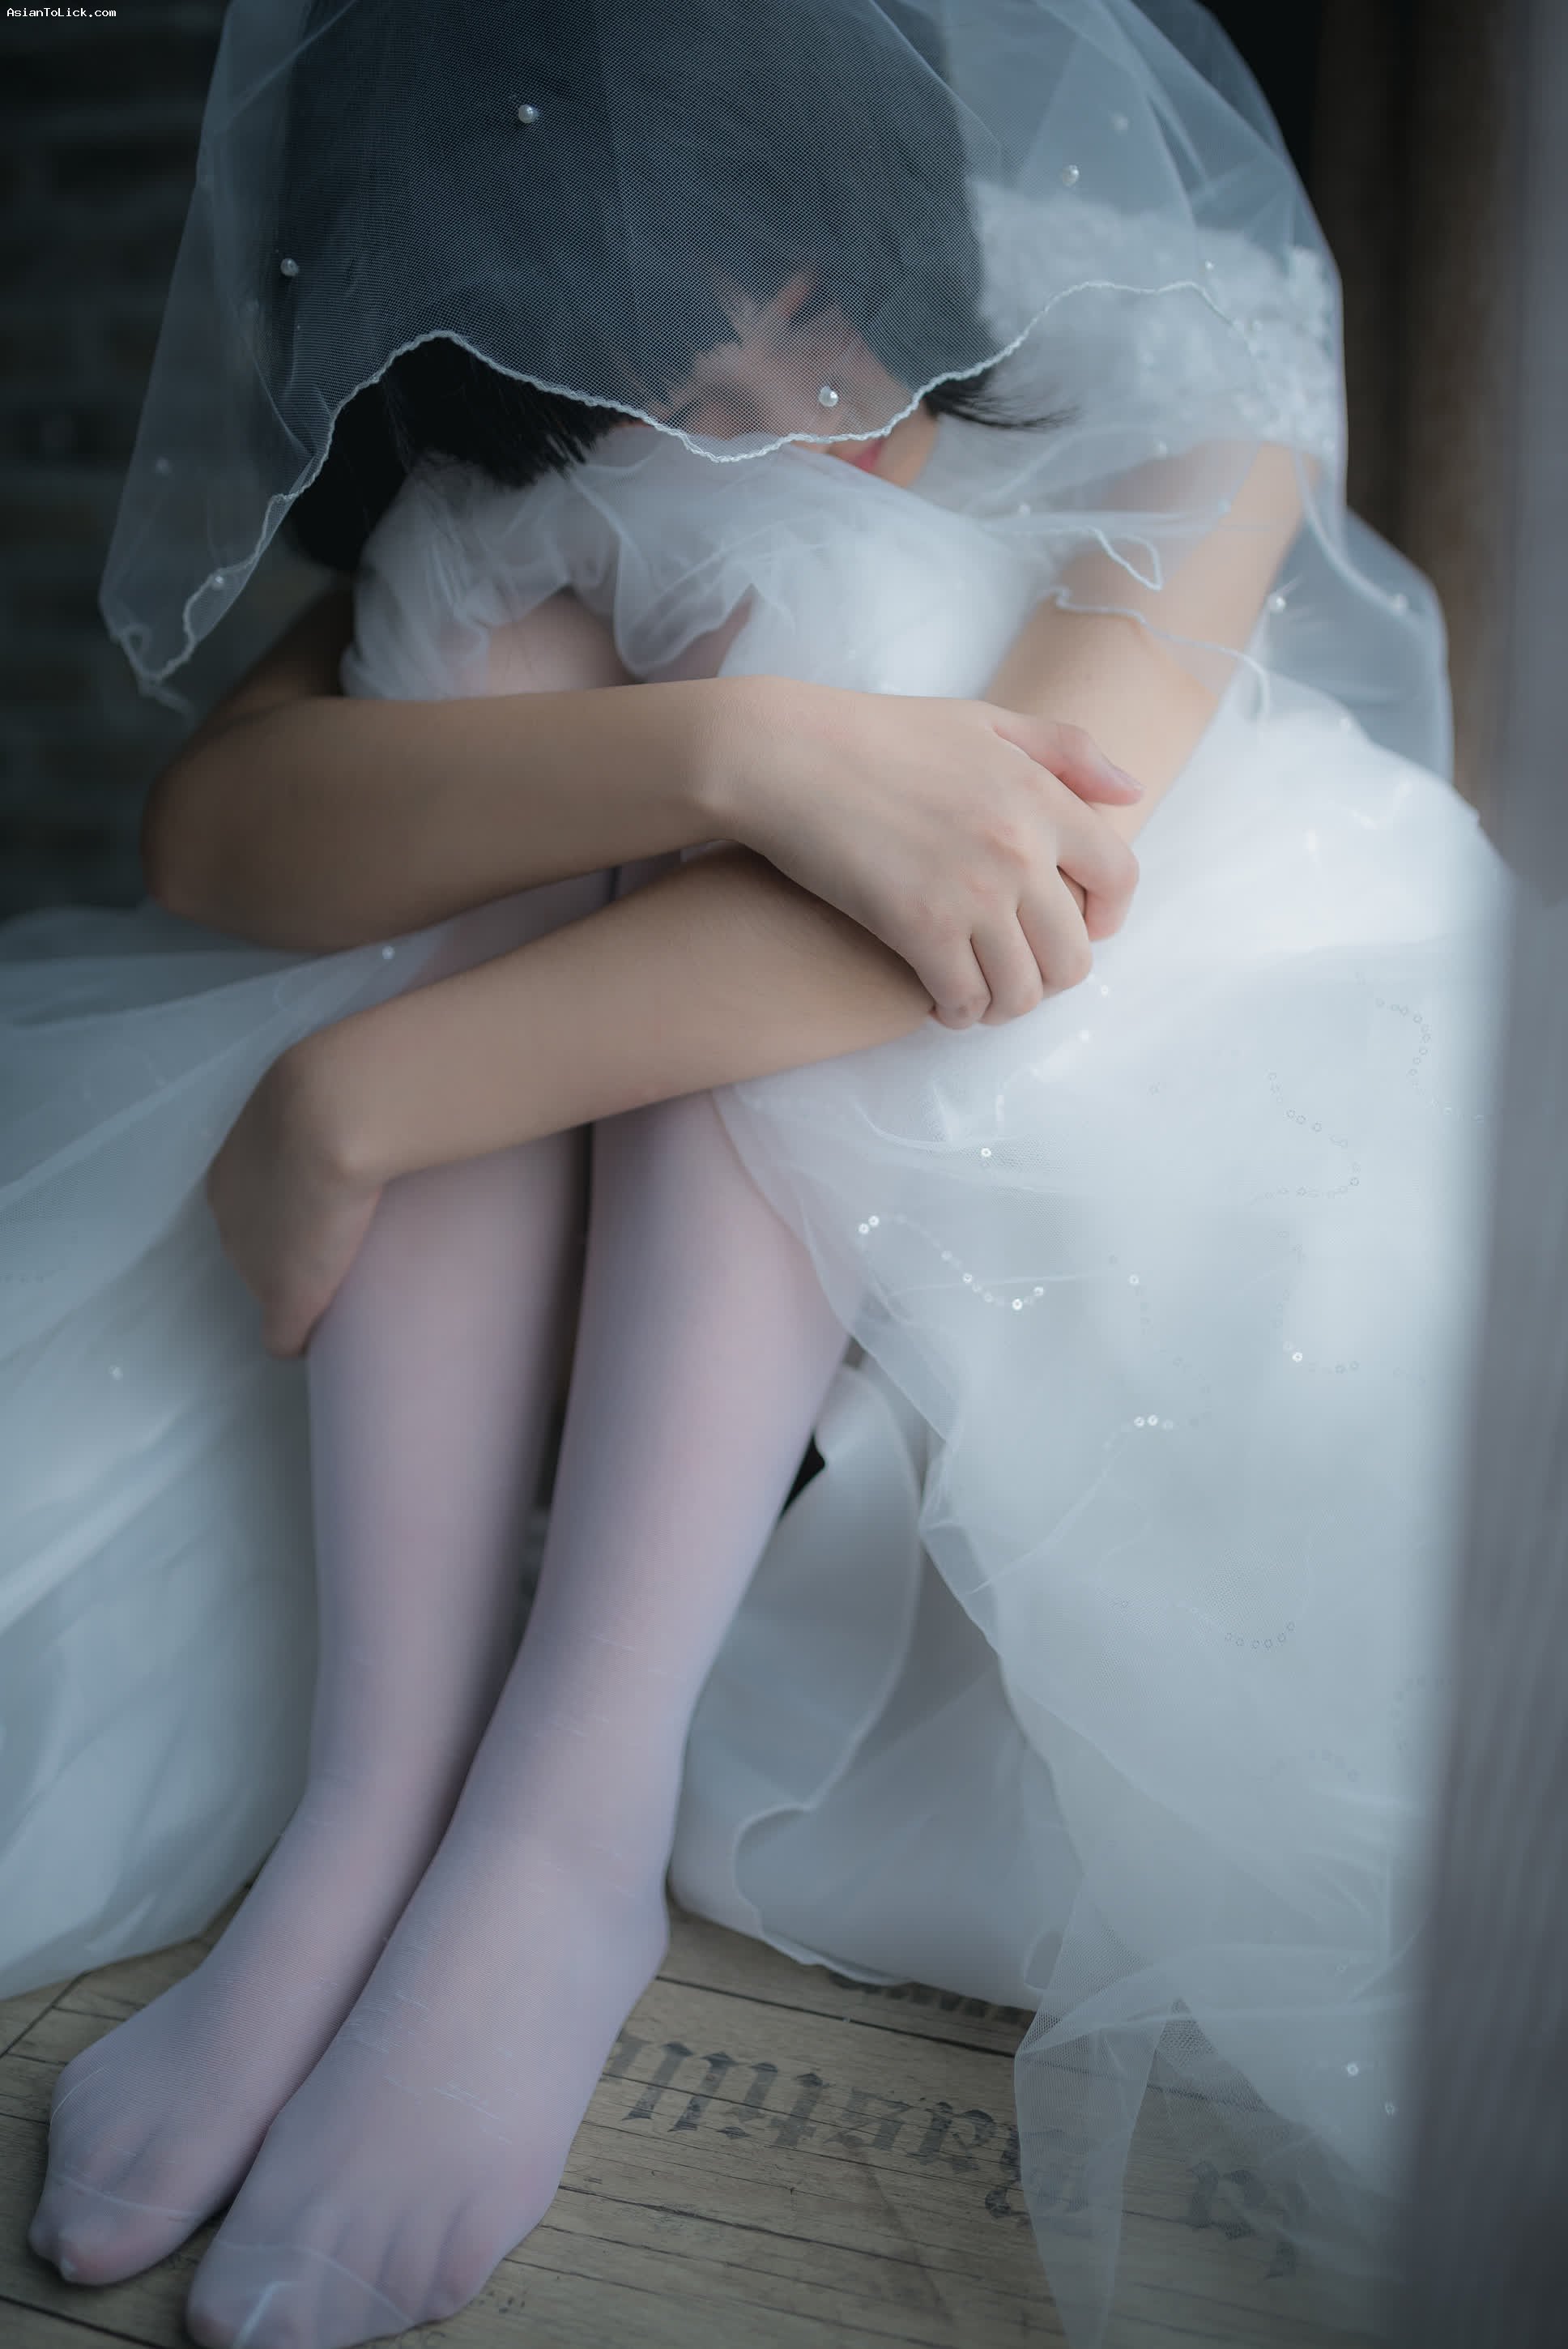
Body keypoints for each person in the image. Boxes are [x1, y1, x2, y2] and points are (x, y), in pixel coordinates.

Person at [3, 3, 1512, 2344]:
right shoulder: (544, 443)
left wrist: (361, 1098)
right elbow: (217, 830)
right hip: (663, 1260)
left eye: (829, 326)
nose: (806, 417)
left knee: (845, 614)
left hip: (1120, 1178)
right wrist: (741, 750)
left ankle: (563, 1825)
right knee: (497, 618)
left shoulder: (1163, 335)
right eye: (684, 392)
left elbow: (1025, 875)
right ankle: (377, 1801)